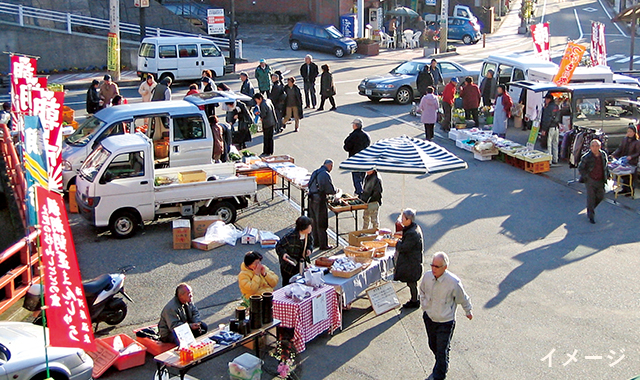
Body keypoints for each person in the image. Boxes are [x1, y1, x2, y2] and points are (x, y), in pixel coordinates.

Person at [420, 252, 473, 380]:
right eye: (432, 265)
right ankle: (442, 363)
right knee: (433, 345)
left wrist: (468, 310)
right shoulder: (427, 277)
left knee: (441, 350)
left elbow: (462, 298)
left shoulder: (453, 282)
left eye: (437, 266)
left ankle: (439, 374)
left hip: (445, 321)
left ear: (445, 267)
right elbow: (421, 290)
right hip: (430, 318)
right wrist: (425, 305)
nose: (434, 269)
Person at [394, 208, 424, 309]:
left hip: (412, 262)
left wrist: (397, 242)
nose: (401, 220)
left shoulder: (412, 233)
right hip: (413, 261)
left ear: (408, 220)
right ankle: (415, 299)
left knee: (411, 282)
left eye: (403, 218)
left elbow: (403, 247)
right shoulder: (413, 228)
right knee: (412, 282)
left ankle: (414, 301)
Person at [308, 159, 337, 250]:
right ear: (329, 166)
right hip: (319, 200)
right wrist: (336, 191)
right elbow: (329, 189)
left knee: (314, 222)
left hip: (311, 199)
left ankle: (315, 242)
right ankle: (323, 245)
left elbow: (309, 184)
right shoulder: (325, 174)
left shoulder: (315, 172)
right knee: (322, 223)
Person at [275, 216, 314, 286]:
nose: (311, 227)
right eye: (309, 226)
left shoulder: (308, 234)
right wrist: (283, 254)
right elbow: (279, 246)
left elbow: (310, 242)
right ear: (303, 228)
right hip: (289, 267)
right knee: (288, 285)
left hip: (301, 264)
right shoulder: (290, 236)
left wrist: (309, 249)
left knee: (301, 283)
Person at [578, 140, 609, 224]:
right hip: (590, 180)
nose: (595, 148)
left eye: (597, 146)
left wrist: (607, 175)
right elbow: (581, 168)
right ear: (590, 147)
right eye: (593, 146)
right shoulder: (587, 157)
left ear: (600, 147)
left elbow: (605, 166)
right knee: (591, 198)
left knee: (600, 196)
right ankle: (591, 216)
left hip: (600, 180)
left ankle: (590, 208)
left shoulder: (603, 155)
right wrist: (586, 177)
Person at [343, 118, 371, 195]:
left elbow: (347, 147)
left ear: (355, 126)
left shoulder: (353, 136)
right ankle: (362, 191)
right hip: (365, 160)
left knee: (356, 178)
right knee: (362, 177)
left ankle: (359, 193)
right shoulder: (366, 136)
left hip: (355, 160)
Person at [540, 92, 560, 163]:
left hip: (550, 128)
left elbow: (546, 119)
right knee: (555, 144)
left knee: (548, 144)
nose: (545, 100)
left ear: (549, 99)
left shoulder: (548, 108)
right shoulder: (556, 106)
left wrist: (544, 129)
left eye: (546, 99)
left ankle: (549, 160)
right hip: (556, 127)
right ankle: (555, 159)